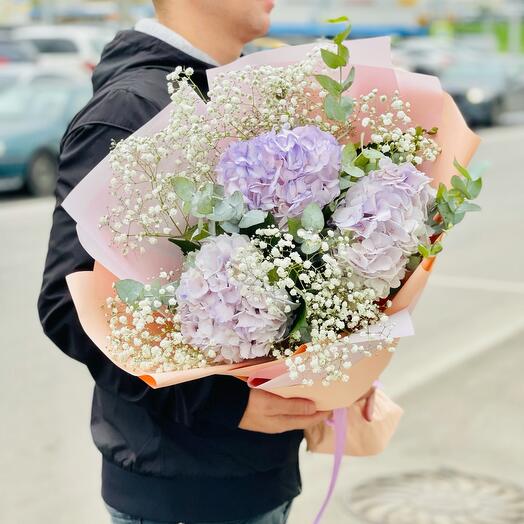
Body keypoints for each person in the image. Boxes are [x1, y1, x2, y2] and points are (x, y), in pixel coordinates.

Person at [38, 1, 375, 523]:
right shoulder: (131, 108)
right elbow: (69, 305)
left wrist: (334, 361)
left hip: (260, 473)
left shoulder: (249, 90)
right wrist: (219, 403)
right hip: (181, 487)